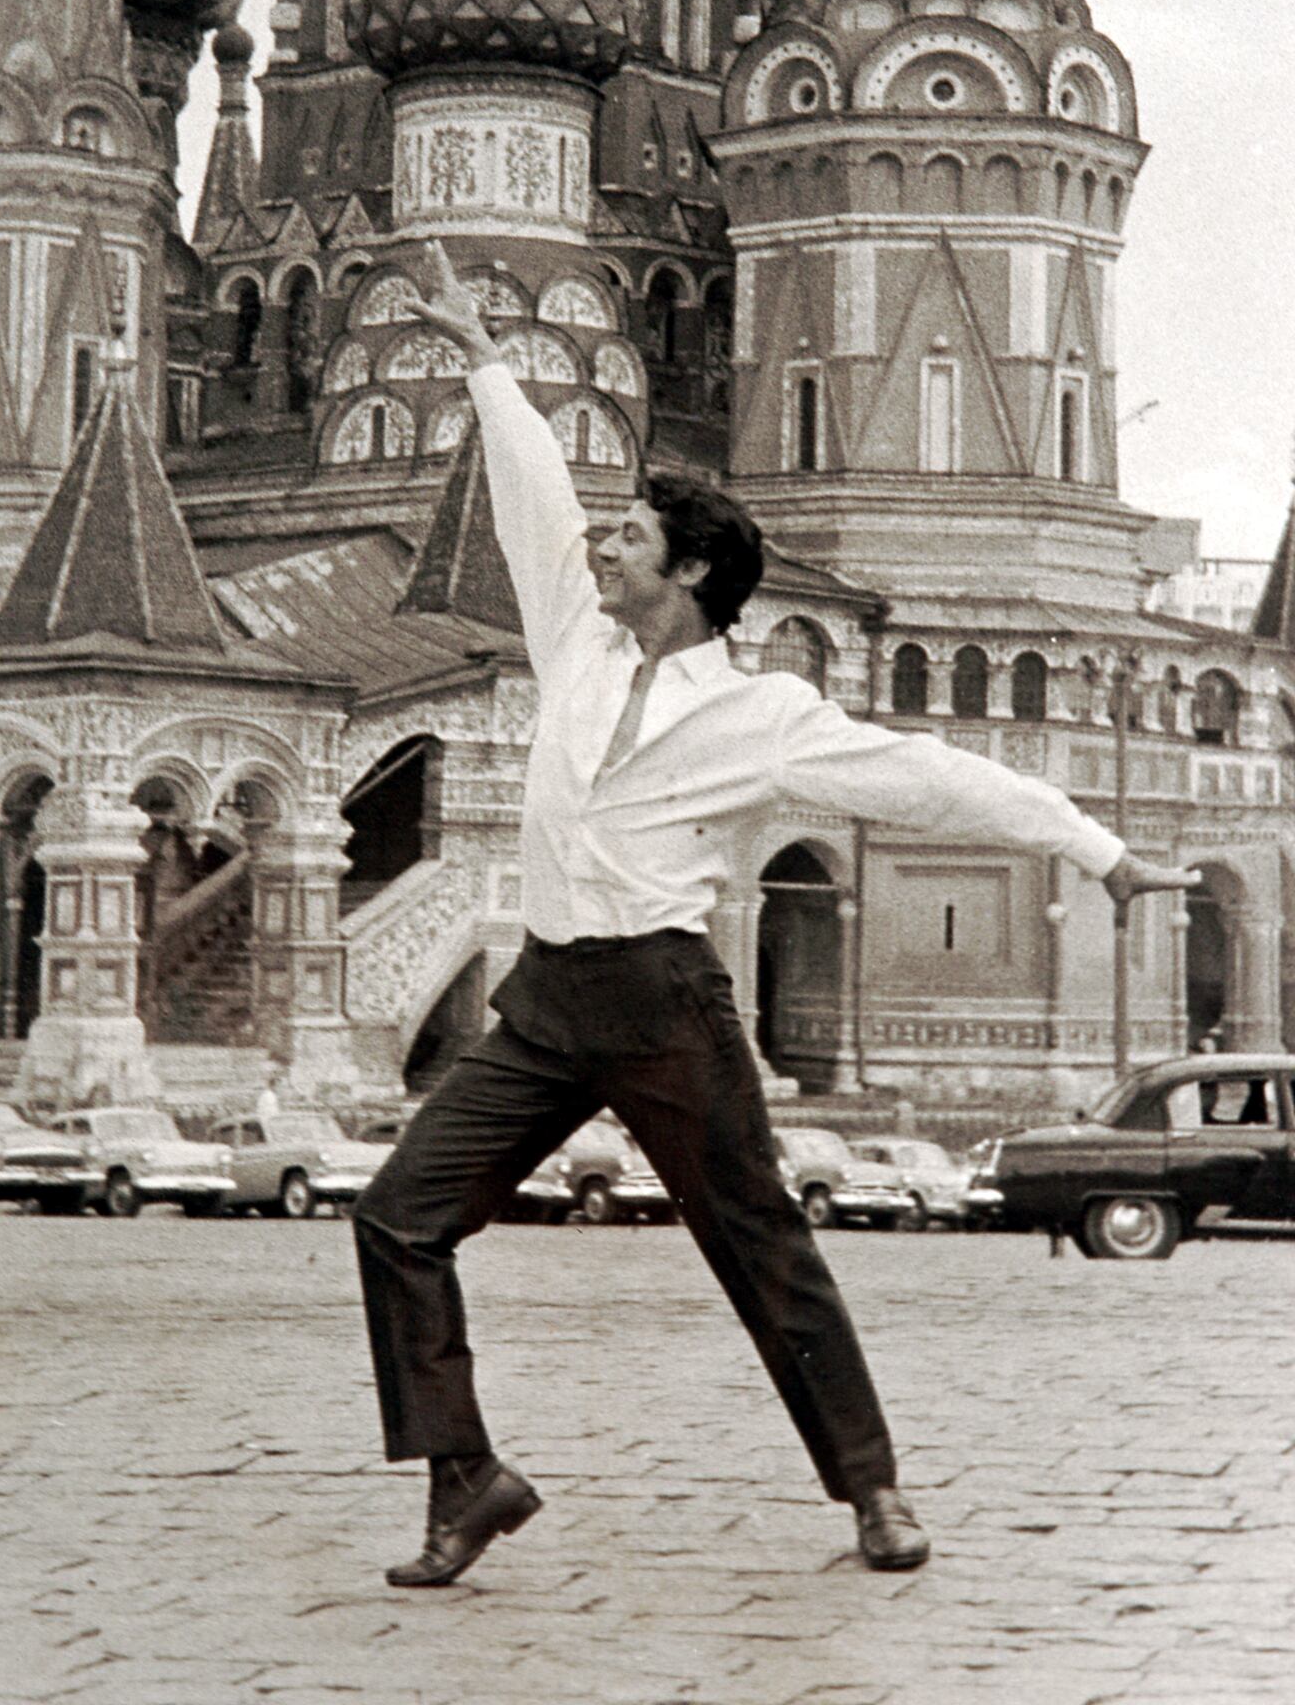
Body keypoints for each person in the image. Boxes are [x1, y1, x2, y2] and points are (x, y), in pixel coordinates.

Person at [353, 241, 1199, 1591]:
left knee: (761, 1247)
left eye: (629, 531)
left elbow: (933, 775)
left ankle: (871, 1491)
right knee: (398, 1215)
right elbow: (524, 490)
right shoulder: (577, 638)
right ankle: (468, 1479)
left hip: (665, 1008)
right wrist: (481, 356)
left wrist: (1096, 850)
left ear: (688, 573)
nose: (601, 537)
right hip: (547, 1002)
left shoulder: (762, 717)